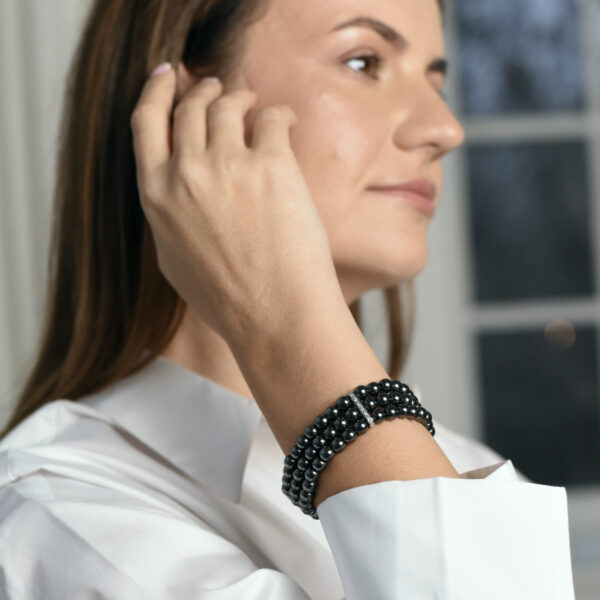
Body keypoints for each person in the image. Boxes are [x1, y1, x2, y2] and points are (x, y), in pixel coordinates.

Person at [0, 0, 575, 597]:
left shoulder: (456, 463)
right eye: (363, 62)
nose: (446, 129)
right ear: (184, 108)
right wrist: (291, 332)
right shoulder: (62, 523)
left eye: (436, 80)